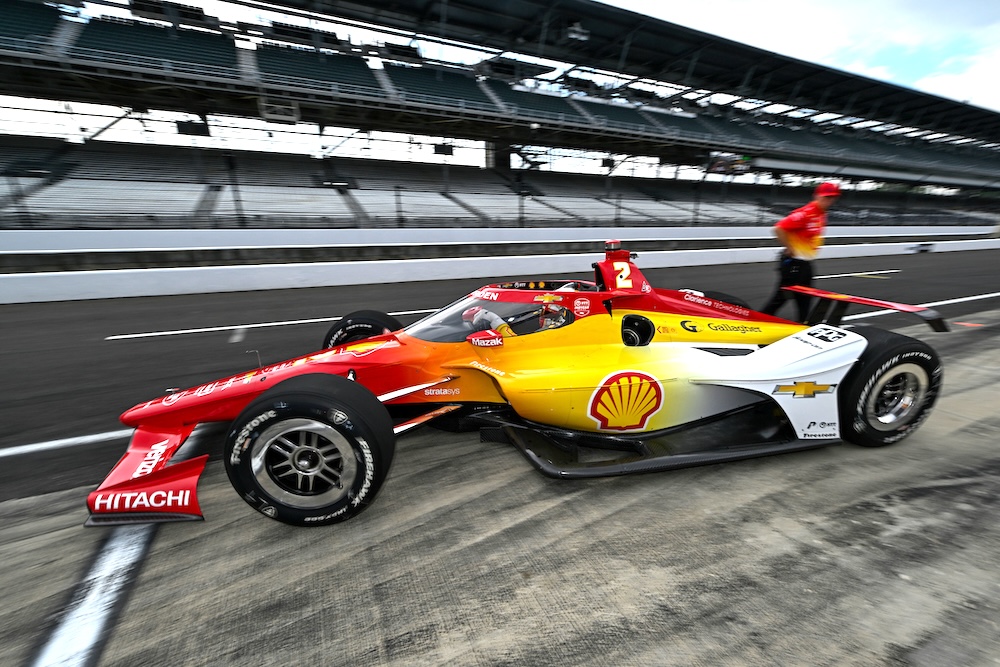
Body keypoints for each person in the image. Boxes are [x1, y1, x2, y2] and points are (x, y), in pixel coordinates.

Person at [761, 181, 841, 321]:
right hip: (793, 264)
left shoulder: (821, 214)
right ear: (817, 196)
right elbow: (779, 228)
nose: (829, 201)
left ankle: (804, 323)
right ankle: (758, 319)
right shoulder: (805, 213)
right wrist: (790, 247)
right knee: (782, 297)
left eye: (832, 198)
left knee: (805, 297)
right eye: (826, 197)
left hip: (805, 263)